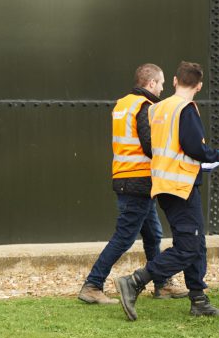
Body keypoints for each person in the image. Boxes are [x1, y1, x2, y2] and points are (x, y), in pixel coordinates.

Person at [114, 61, 219, 320]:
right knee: (188, 247)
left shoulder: (157, 108)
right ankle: (135, 281)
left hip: (164, 185)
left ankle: (198, 299)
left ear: (174, 81)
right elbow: (194, 147)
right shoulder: (186, 109)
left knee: (197, 243)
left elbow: (166, 147)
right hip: (181, 186)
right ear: (199, 86)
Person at [78, 63, 188, 304]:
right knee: (125, 237)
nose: (161, 89)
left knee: (153, 234)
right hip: (137, 180)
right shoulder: (145, 107)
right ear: (151, 84)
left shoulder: (124, 104)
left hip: (127, 177)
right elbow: (150, 146)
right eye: (160, 84)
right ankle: (93, 284)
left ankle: (162, 283)